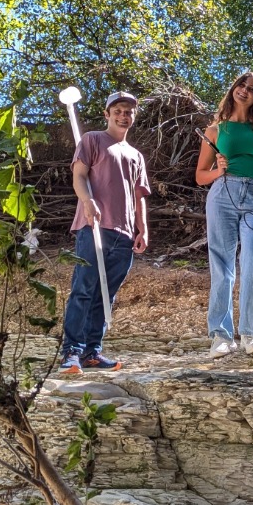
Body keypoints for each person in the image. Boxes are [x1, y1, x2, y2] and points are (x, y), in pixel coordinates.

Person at [197, 72, 253, 358]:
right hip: (222, 194)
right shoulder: (216, 130)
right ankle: (221, 336)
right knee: (222, 264)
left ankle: (250, 333)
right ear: (233, 89)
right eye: (241, 85)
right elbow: (200, 176)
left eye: (252, 89)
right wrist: (218, 171)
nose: (245, 91)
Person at [59, 91, 150, 374]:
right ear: (107, 114)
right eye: (118, 111)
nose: (123, 116)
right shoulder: (92, 140)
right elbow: (79, 176)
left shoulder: (136, 155)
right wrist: (88, 201)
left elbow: (139, 195)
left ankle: (91, 352)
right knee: (83, 289)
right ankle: (72, 352)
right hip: (94, 226)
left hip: (125, 233)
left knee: (105, 295)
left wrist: (142, 228)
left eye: (128, 112)